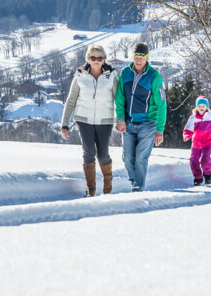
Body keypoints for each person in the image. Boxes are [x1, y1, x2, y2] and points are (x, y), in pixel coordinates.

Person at [61, 44, 119, 196]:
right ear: (88, 59)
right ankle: (91, 190)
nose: (96, 61)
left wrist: (121, 119)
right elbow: (71, 100)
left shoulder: (111, 76)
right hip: (83, 119)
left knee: (102, 155)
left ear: (104, 59)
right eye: (93, 58)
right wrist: (65, 124)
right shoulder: (80, 76)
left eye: (99, 58)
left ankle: (107, 185)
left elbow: (119, 100)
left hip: (105, 120)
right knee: (88, 152)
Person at [114, 42, 167, 192]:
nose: (139, 60)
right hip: (129, 122)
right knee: (127, 158)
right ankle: (134, 182)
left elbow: (162, 103)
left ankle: (138, 189)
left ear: (147, 58)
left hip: (148, 124)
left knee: (141, 159)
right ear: (133, 56)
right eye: (137, 56)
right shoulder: (125, 73)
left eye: (142, 57)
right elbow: (120, 98)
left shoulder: (154, 76)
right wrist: (120, 118)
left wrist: (160, 129)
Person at [182, 96, 211, 185]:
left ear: (206, 107)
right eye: (199, 105)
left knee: (205, 160)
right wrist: (187, 135)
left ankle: (208, 175)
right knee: (193, 161)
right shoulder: (193, 118)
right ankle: (198, 178)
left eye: (203, 106)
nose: (201, 107)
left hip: (207, 142)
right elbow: (188, 129)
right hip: (196, 142)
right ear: (196, 107)